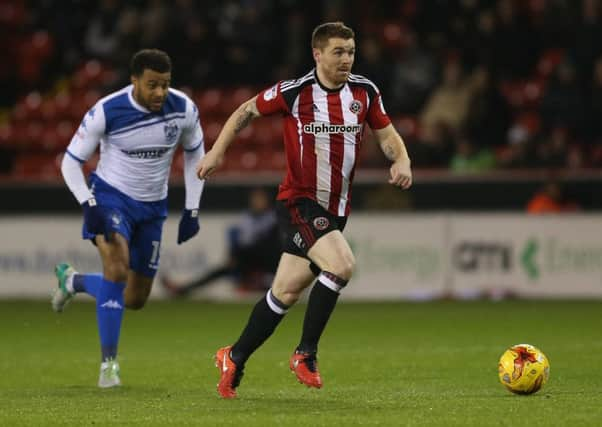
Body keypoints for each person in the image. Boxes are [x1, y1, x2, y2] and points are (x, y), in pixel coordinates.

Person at [197, 22, 413, 399]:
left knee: (284, 291)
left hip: (336, 208)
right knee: (342, 265)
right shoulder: (295, 92)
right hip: (299, 202)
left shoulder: (365, 91)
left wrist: (402, 160)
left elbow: (387, 134)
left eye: (350, 51)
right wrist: (217, 151)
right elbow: (246, 110)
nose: (346, 59)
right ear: (317, 54)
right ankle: (305, 354)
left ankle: (234, 355)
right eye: (338, 52)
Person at [51, 49, 206, 388]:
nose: (160, 93)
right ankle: (109, 365)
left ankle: (73, 282)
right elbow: (70, 162)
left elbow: (196, 154)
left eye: (165, 85)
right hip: (110, 199)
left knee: (135, 299)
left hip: (153, 208)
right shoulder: (107, 110)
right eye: (152, 85)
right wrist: (88, 204)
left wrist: (192, 208)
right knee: (117, 270)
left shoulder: (183, 109)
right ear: (134, 80)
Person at [160, 187, 281, 296]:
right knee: (220, 270)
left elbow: (269, 244)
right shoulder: (247, 218)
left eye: (260, 199)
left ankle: (257, 283)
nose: (257, 202)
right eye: (255, 199)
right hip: (246, 261)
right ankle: (183, 289)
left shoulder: (273, 219)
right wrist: (234, 255)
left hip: (268, 262)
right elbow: (241, 241)